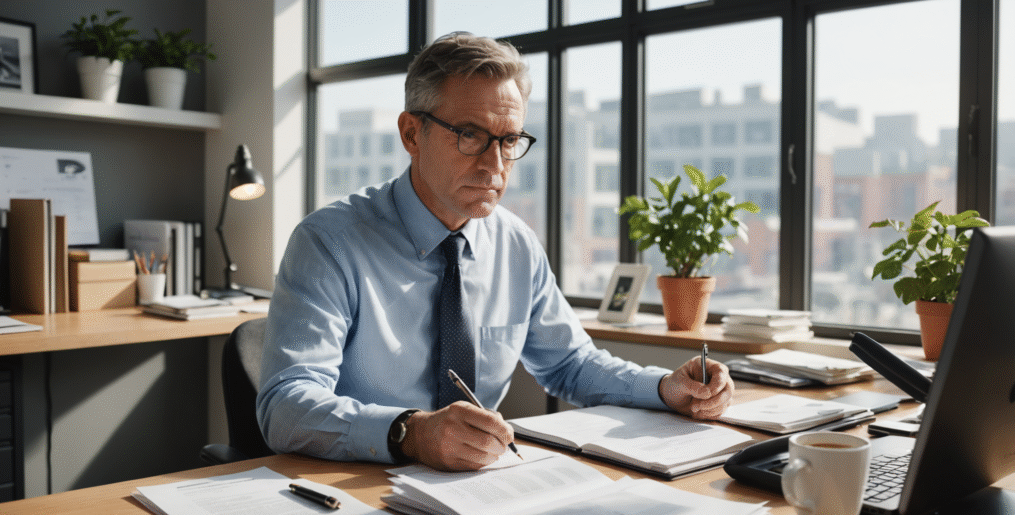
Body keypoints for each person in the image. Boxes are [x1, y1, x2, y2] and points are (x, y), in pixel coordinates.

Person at [257, 32, 734, 472]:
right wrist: (411, 432)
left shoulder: (515, 244)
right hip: (350, 488)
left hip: (474, 490)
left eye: (508, 141)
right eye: (469, 134)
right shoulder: (329, 242)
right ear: (410, 134)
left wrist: (664, 388)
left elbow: (571, 364)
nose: (493, 164)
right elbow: (285, 406)